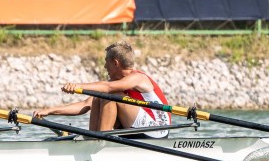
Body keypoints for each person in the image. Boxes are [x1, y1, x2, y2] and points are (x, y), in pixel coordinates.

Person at [33, 41, 172, 138]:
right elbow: (85, 105)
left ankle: (100, 140)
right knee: (100, 96)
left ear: (115, 63)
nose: (105, 66)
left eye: (106, 61)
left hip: (157, 130)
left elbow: (108, 87)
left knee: (109, 95)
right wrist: (50, 111)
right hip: (140, 127)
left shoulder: (138, 78)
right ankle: (93, 138)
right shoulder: (117, 83)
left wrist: (77, 86)